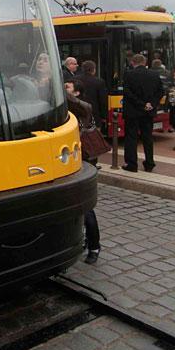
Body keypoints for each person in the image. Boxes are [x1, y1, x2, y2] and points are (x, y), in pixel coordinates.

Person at [64, 80, 100, 265]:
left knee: (86, 209)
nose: (63, 89)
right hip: (69, 162)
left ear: (76, 93)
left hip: (84, 161)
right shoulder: (63, 112)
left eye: (68, 87)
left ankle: (94, 246)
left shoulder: (84, 108)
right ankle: (82, 240)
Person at [121, 54, 163, 172]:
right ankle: (149, 163)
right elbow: (161, 91)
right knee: (148, 138)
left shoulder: (129, 74)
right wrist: (151, 104)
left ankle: (132, 164)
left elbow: (127, 93)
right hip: (148, 112)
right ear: (145, 62)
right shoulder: (154, 74)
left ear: (133, 63)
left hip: (133, 112)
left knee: (131, 138)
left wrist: (141, 104)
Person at [79, 60, 107, 130]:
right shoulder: (99, 82)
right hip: (94, 115)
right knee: (94, 138)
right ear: (93, 70)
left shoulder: (74, 80)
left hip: (78, 114)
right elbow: (102, 101)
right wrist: (104, 116)